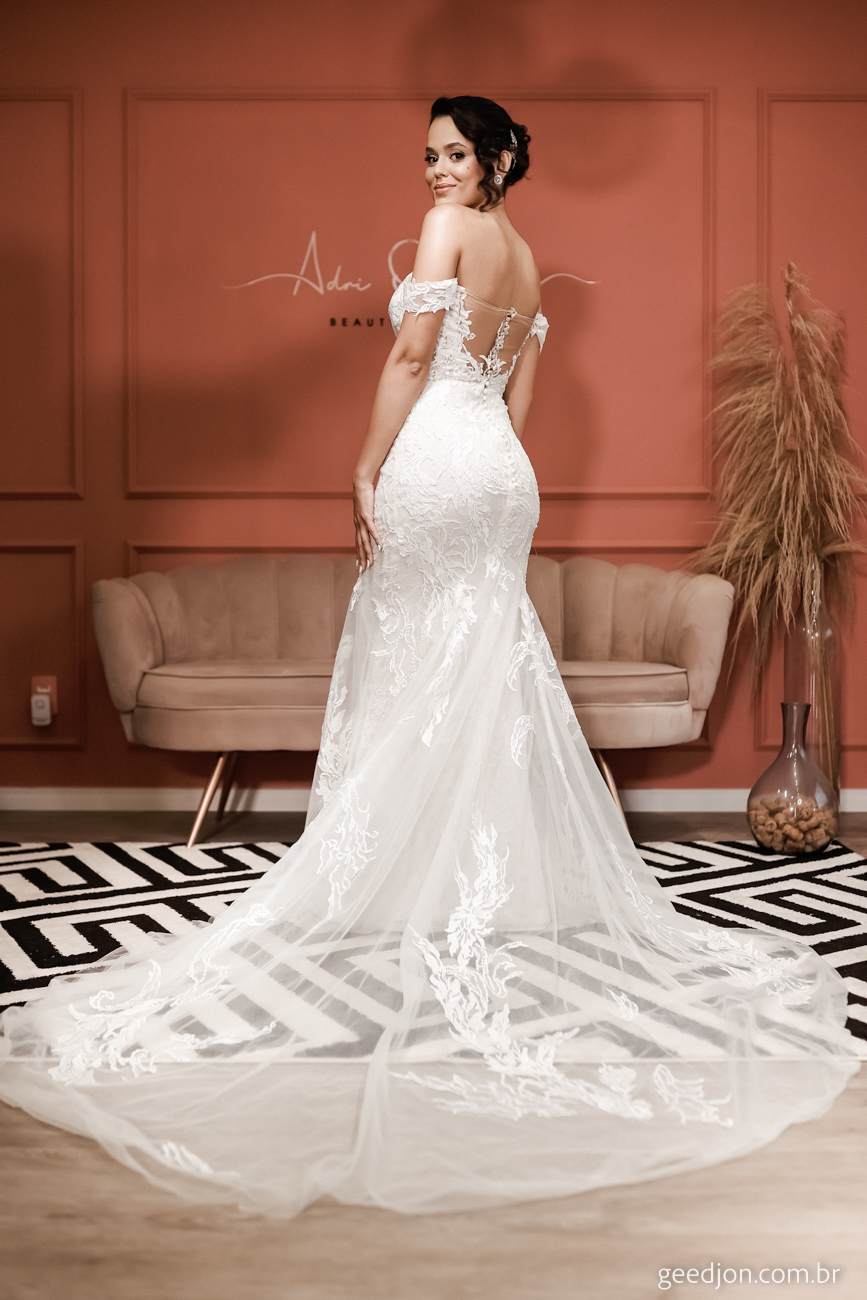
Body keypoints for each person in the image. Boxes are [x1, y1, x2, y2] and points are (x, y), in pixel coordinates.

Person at [0, 96, 858, 1219]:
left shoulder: (445, 229)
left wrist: (365, 468)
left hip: (436, 459)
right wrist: (478, 455)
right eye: (428, 156)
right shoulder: (529, 259)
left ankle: (406, 878)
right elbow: (522, 396)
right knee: (481, 659)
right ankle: (470, 882)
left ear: (496, 158)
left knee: (411, 655)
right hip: (498, 468)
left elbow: (411, 356)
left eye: (455, 153)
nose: (437, 171)